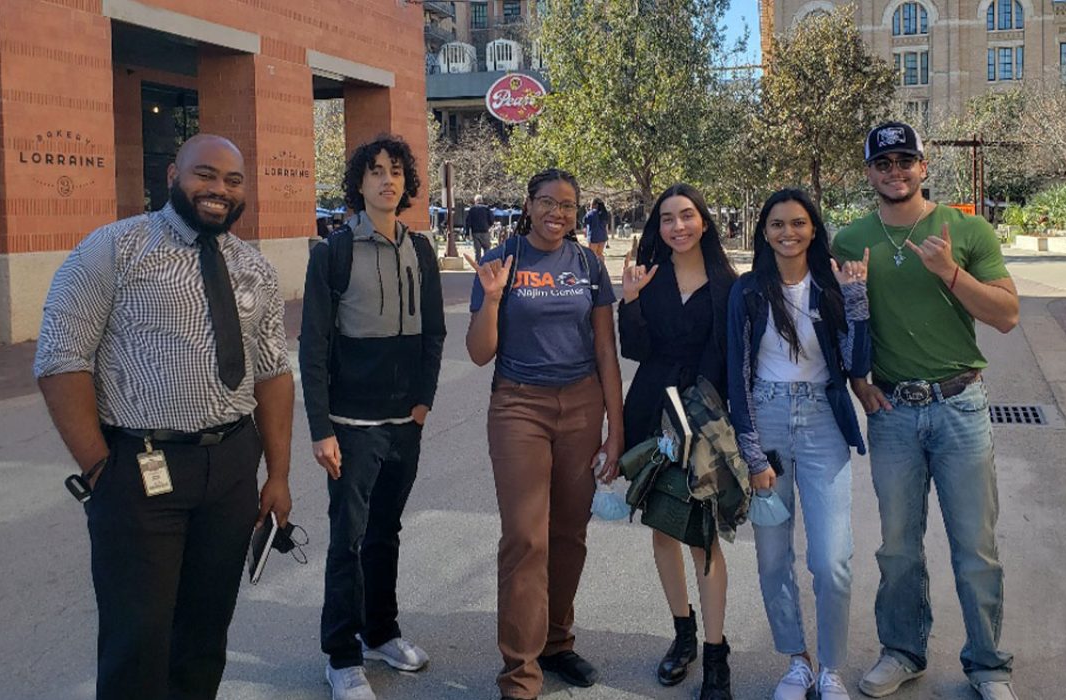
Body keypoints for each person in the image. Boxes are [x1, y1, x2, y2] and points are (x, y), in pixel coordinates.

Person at [34, 134, 294, 700]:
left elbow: (274, 373)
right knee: (138, 640)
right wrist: (100, 468)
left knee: (204, 635)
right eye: (205, 174)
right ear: (173, 175)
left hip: (231, 467)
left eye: (233, 180)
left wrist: (277, 475)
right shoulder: (113, 248)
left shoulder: (254, 268)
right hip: (139, 467)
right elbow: (60, 358)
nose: (219, 189)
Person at [832, 122, 1020, 700]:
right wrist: (856, 380)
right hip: (892, 412)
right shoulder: (850, 241)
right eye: (883, 163)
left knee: (975, 547)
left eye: (904, 161)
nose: (895, 172)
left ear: (924, 166)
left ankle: (988, 666)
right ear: (869, 172)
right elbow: (840, 326)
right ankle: (903, 650)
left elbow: (1007, 315)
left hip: (959, 405)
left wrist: (950, 272)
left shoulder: (966, 229)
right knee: (897, 547)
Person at [464, 168, 624, 700]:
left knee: (569, 532)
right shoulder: (502, 260)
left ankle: (557, 641)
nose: (558, 213)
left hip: (582, 405)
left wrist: (615, 430)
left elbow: (605, 350)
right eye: (548, 202)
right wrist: (491, 299)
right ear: (529, 205)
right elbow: (479, 353)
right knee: (525, 537)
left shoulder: (588, 265)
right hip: (519, 406)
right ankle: (519, 672)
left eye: (568, 205)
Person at [299, 135, 446, 700]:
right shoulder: (333, 253)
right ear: (358, 182)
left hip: (405, 423)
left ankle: (380, 632)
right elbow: (313, 347)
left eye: (396, 171)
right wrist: (321, 428)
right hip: (351, 424)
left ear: (407, 183)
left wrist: (423, 400)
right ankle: (341, 655)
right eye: (376, 171)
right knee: (349, 539)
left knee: (386, 533)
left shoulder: (422, 250)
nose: (387, 180)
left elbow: (434, 332)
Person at [726, 189, 871, 700]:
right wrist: (752, 453)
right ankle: (797, 661)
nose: (788, 233)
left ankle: (831, 667)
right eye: (777, 224)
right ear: (764, 232)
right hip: (766, 420)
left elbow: (856, 364)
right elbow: (737, 375)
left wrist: (857, 300)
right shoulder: (748, 291)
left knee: (832, 559)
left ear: (813, 229)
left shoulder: (831, 285)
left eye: (799, 223)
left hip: (822, 422)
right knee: (772, 558)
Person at [618, 184, 739, 699]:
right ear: (658, 227)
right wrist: (630, 300)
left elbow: (735, 360)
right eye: (667, 218)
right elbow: (635, 349)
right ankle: (683, 633)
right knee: (665, 528)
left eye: (687, 215)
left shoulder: (729, 285)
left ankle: (715, 654)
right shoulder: (649, 276)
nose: (678, 226)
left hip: (706, 419)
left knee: (704, 537)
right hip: (653, 412)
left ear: (703, 222)